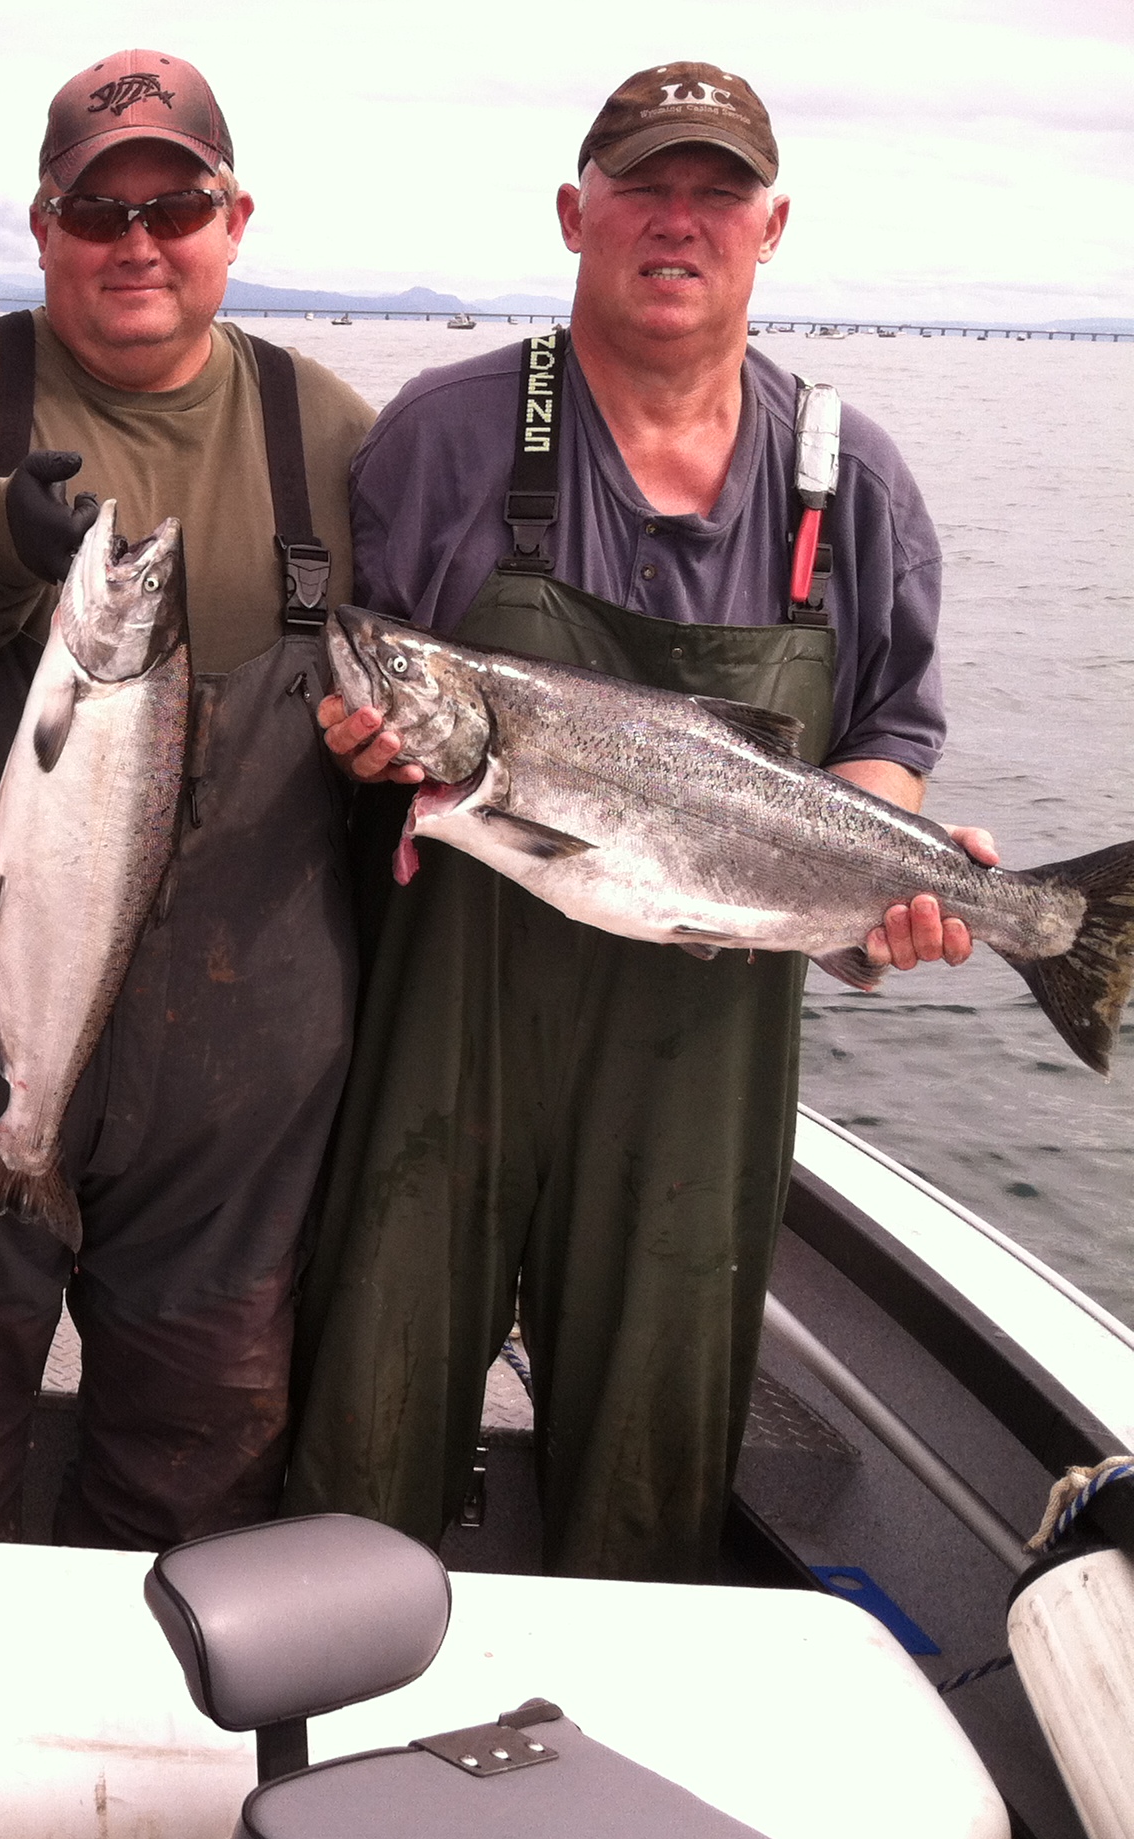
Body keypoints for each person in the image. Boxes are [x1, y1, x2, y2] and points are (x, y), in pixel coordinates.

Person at [0, 51, 376, 1828]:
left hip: (242, 1030)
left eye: (173, 204)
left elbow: (424, 684)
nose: (138, 239)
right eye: (98, 208)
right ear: (41, 227)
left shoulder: (329, 434)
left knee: (208, 1377)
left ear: (233, 222)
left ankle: (138, 1689)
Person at [288, 62, 987, 1582]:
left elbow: (888, 741)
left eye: (717, 191)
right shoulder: (451, 433)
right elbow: (358, 702)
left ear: (770, 225)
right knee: (373, 1388)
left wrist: (892, 887)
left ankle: (619, 1745)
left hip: (711, 1027)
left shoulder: (851, 478)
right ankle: (336, 1730)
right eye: (644, 185)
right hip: (451, 1010)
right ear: (575, 213)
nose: (679, 220)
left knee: (660, 1425)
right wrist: (361, 745)